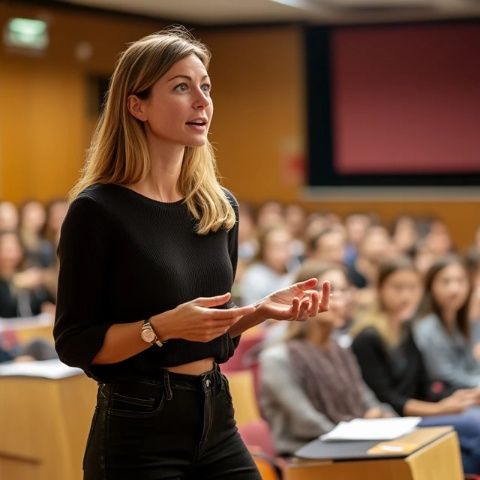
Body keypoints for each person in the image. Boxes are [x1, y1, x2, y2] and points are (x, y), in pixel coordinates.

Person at [53, 27, 329, 480]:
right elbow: (74, 342)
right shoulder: (98, 210)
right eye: (181, 87)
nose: (202, 101)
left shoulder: (218, 206)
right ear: (136, 104)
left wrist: (258, 312)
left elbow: (208, 331)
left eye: (205, 86)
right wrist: (159, 328)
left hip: (215, 411)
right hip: (138, 425)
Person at [351, 257, 480, 474]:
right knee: (476, 425)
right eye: (397, 288)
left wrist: (455, 398)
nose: (406, 295)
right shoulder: (368, 337)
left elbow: (423, 383)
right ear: (380, 289)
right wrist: (440, 409)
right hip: (392, 421)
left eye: (412, 288)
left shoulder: (405, 328)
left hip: (418, 414)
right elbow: (389, 399)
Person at [259, 261, 393, 456]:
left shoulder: (340, 348)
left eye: (344, 290)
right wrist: (360, 430)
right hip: (307, 455)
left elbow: (366, 398)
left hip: (353, 444)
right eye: (329, 290)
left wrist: (383, 415)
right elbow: (305, 422)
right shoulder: (277, 358)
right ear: (303, 298)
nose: (340, 300)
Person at [413, 255, 480, 389]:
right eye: (446, 282)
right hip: (447, 397)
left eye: (460, 281)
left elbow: (472, 365)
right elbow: (443, 376)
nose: (454, 289)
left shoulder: (466, 320)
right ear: (431, 286)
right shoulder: (426, 327)